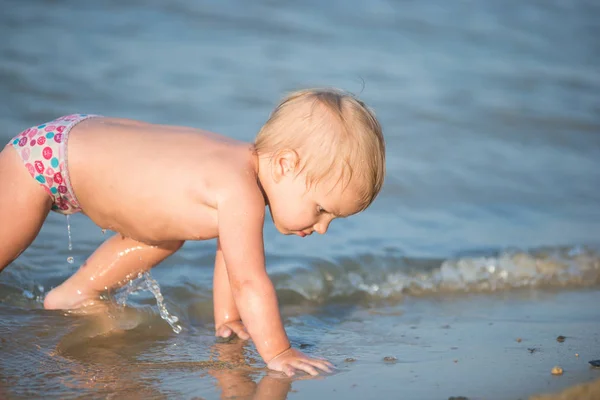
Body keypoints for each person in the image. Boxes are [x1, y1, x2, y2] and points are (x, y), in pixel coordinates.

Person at [0, 88, 386, 376]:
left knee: (171, 231)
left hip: (74, 141)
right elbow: (249, 281)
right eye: (321, 210)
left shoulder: (243, 171)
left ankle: (75, 293)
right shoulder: (239, 189)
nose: (321, 228)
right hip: (44, 160)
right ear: (286, 165)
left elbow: (231, 258)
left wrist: (227, 320)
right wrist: (279, 352)